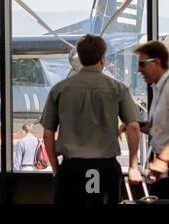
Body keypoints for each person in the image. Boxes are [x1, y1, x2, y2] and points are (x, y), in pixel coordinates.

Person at [40, 34, 142, 204]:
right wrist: (133, 166)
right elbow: (133, 127)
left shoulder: (59, 89)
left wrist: (56, 170)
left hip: (71, 170)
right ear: (103, 59)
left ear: (79, 58)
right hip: (106, 168)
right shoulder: (118, 88)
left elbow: (47, 134)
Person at [132, 40, 169, 198]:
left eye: (142, 64)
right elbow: (157, 128)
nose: (139, 69)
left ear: (157, 62)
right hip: (162, 174)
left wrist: (163, 160)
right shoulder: (158, 88)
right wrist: (136, 125)